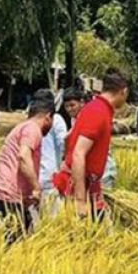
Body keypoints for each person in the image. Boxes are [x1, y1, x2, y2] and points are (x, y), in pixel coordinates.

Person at [53, 72, 130, 218]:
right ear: (123, 91)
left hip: (89, 186)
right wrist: (81, 200)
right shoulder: (98, 112)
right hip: (79, 188)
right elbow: (78, 153)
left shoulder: (98, 109)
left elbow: (69, 140)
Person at [0, 98, 55, 234]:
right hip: (11, 196)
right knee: (17, 242)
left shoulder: (23, 127)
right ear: (48, 117)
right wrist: (36, 187)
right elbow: (23, 156)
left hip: (8, 194)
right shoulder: (33, 129)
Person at [38, 87, 86, 215]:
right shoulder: (57, 119)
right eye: (67, 106)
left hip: (41, 175)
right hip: (51, 174)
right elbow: (64, 145)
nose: (70, 109)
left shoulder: (31, 121)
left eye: (72, 105)